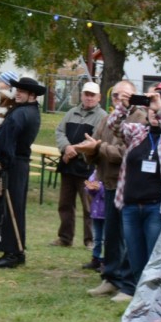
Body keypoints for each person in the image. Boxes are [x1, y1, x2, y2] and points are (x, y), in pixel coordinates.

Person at [107, 87, 161, 289]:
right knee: (136, 260)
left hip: (157, 209)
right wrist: (123, 107)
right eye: (151, 109)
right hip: (131, 207)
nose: (153, 112)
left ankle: (157, 302)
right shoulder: (137, 132)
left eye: (159, 109)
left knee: (156, 261)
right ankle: (142, 301)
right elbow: (114, 126)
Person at [76, 79, 140, 301]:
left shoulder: (139, 119)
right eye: (116, 96)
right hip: (108, 184)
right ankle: (110, 278)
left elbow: (126, 153)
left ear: (134, 97)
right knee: (111, 234)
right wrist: (89, 150)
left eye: (126, 96)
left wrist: (99, 148)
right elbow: (96, 148)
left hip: (130, 186)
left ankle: (127, 283)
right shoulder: (107, 119)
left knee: (128, 236)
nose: (120, 100)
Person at [0, 76, 45, 268]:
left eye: (22, 91)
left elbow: (7, 142)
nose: (18, 93)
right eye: (18, 90)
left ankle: (13, 254)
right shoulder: (27, 111)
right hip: (17, 164)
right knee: (11, 207)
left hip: (12, 166)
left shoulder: (21, 113)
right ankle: (15, 250)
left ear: (32, 95)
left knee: (11, 209)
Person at [51, 81, 107, 248]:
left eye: (92, 95)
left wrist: (73, 150)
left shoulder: (102, 117)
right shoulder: (71, 112)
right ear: (82, 95)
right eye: (86, 94)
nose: (89, 98)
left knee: (89, 206)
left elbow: (97, 141)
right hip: (68, 167)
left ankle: (90, 240)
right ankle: (65, 238)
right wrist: (66, 147)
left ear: (99, 97)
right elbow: (59, 131)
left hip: (87, 168)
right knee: (65, 204)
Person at [82, 169, 105, 271]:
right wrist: (91, 188)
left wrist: (100, 188)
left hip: (106, 213)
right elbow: (89, 188)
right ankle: (95, 259)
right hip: (96, 213)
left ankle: (105, 261)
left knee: (105, 239)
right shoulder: (96, 172)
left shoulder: (112, 174)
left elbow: (110, 190)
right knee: (97, 238)